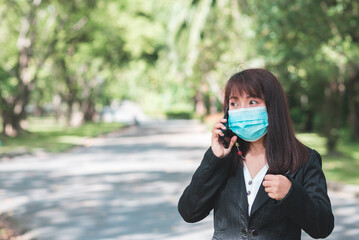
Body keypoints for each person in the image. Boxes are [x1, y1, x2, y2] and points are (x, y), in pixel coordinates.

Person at [178, 69, 334, 239]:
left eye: (252, 102)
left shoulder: (303, 159)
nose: (242, 110)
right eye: (234, 103)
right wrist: (215, 159)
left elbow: (322, 226)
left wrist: (291, 194)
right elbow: (189, 212)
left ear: (272, 107)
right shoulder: (226, 157)